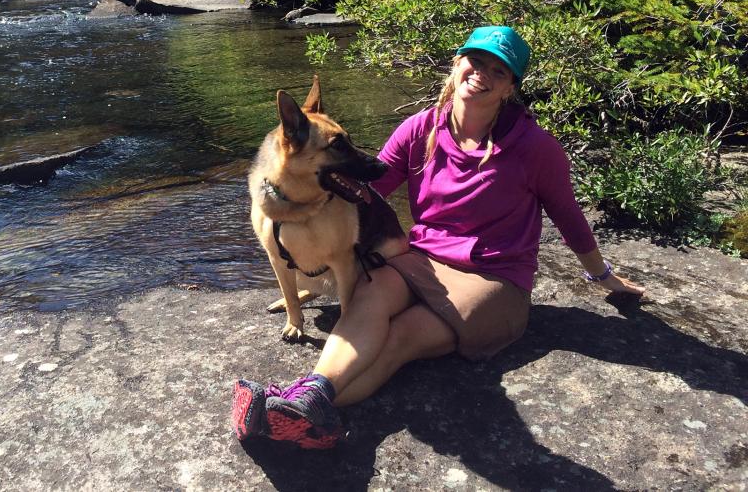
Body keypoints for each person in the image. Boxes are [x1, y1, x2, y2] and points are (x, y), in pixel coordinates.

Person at [231, 25, 645, 449]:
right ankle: (303, 401)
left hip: (492, 280)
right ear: (457, 63)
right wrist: (288, 197)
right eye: (477, 61)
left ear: (510, 88)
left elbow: (567, 214)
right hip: (421, 261)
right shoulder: (420, 128)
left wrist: (602, 276)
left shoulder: (536, 148)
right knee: (363, 307)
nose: (482, 74)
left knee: (399, 338)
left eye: (499, 71)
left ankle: (295, 411)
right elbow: (369, 189)